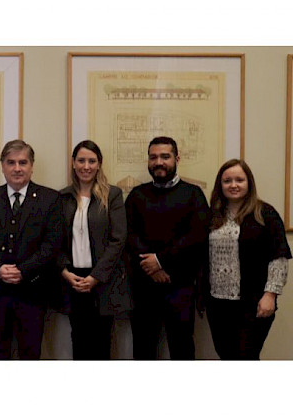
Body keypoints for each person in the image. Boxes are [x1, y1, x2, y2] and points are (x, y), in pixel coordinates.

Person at [125, 136, 210, 359]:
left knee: (182, 350)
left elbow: (197, 237)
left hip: (180, 287)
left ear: (176, 159)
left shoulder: (194, 194)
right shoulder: (136, 195)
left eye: (165, 156)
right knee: (143, 350)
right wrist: (152, 267)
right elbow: (129, 235)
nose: (159, 162)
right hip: (144, 287)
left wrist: (161, 261)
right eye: (153, 157)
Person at [0, 139, 62, 359]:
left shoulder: (50, 199)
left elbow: (52, 245)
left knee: (30, 353)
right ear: (2, 166)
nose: (17, 168)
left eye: (23, 162)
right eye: (11, 162)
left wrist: (22, 270)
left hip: (32, 290)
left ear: (32, 166)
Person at [205, 159, 291, 360]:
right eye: (227, 181)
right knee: (225, 354)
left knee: (246, 356)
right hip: (218, 304)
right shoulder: (213, 215)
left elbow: (279, 257)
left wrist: (270, 294)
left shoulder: (265, 213)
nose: (233, 185)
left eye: (239, 180)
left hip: (254, 302)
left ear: (249, 183)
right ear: (220, 185)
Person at [58, 140, 131, 360]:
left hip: (102, 280)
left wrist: (96, 277)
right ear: (73, 163)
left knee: (101, 341)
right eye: (81, 161)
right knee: (78, 339)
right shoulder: (62, 197)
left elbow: (118, 239)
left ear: (99, 164)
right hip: (73, 278)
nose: (86, 166)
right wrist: (64, 272)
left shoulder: (112, 195)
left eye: (92, 161)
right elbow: (55, 239)